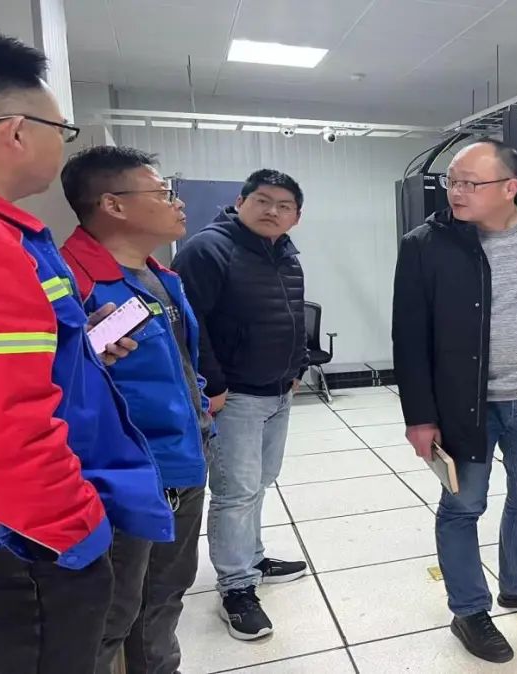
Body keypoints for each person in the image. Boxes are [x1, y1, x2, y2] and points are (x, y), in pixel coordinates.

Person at [0, 28, 174, 673]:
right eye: (61, 130)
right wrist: (79, 532)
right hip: (34, 544)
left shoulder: (18, 238)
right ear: (17, 131)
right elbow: (6, 424)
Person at [393, 139, 517, 664]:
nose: (456, 192)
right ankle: (469, 610)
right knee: (463, 507)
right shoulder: (425, 244)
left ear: (509, 187)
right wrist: (420, 417)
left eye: (470, 183)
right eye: (452, 182)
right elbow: (408, 338)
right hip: (464, 405)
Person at [60, 146, 212, 674]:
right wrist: (84, 351)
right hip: (123, 478)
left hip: (183, 461)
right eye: (164, 192)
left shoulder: (160, 277)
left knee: (166, 594)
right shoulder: (69, 281)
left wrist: (203, 408)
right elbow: (47, 385)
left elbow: (181, 361)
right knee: (111, 613)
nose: (178, 203)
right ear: (113, 204)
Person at [172, 169, 308, 640]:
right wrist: (213, 385)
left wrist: (298, 366)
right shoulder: (208, 249)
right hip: (236, 396)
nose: (273, 211)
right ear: (240, 201)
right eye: (263, 200)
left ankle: (251, 558)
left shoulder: (285, 253)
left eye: (285, 206)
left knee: (260, 482)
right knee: (236, 491)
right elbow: (191, 324)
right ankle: (236, 588)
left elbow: (292, 314)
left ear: (296, 217)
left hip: (277, 391)